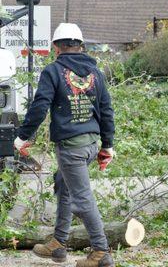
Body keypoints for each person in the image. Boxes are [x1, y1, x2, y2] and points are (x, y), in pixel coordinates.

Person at [13, 23, 116, 267]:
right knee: (64, 183)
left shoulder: (53, 71)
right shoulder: (95, 72)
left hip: (72, 147)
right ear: (80, 46)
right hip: (91, 145)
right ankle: (59, 243)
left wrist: (22, 137)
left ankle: (101, 252)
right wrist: (107, 146)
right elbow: (106, 110)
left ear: (56, 48)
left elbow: (39, 107)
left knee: (81, 199)